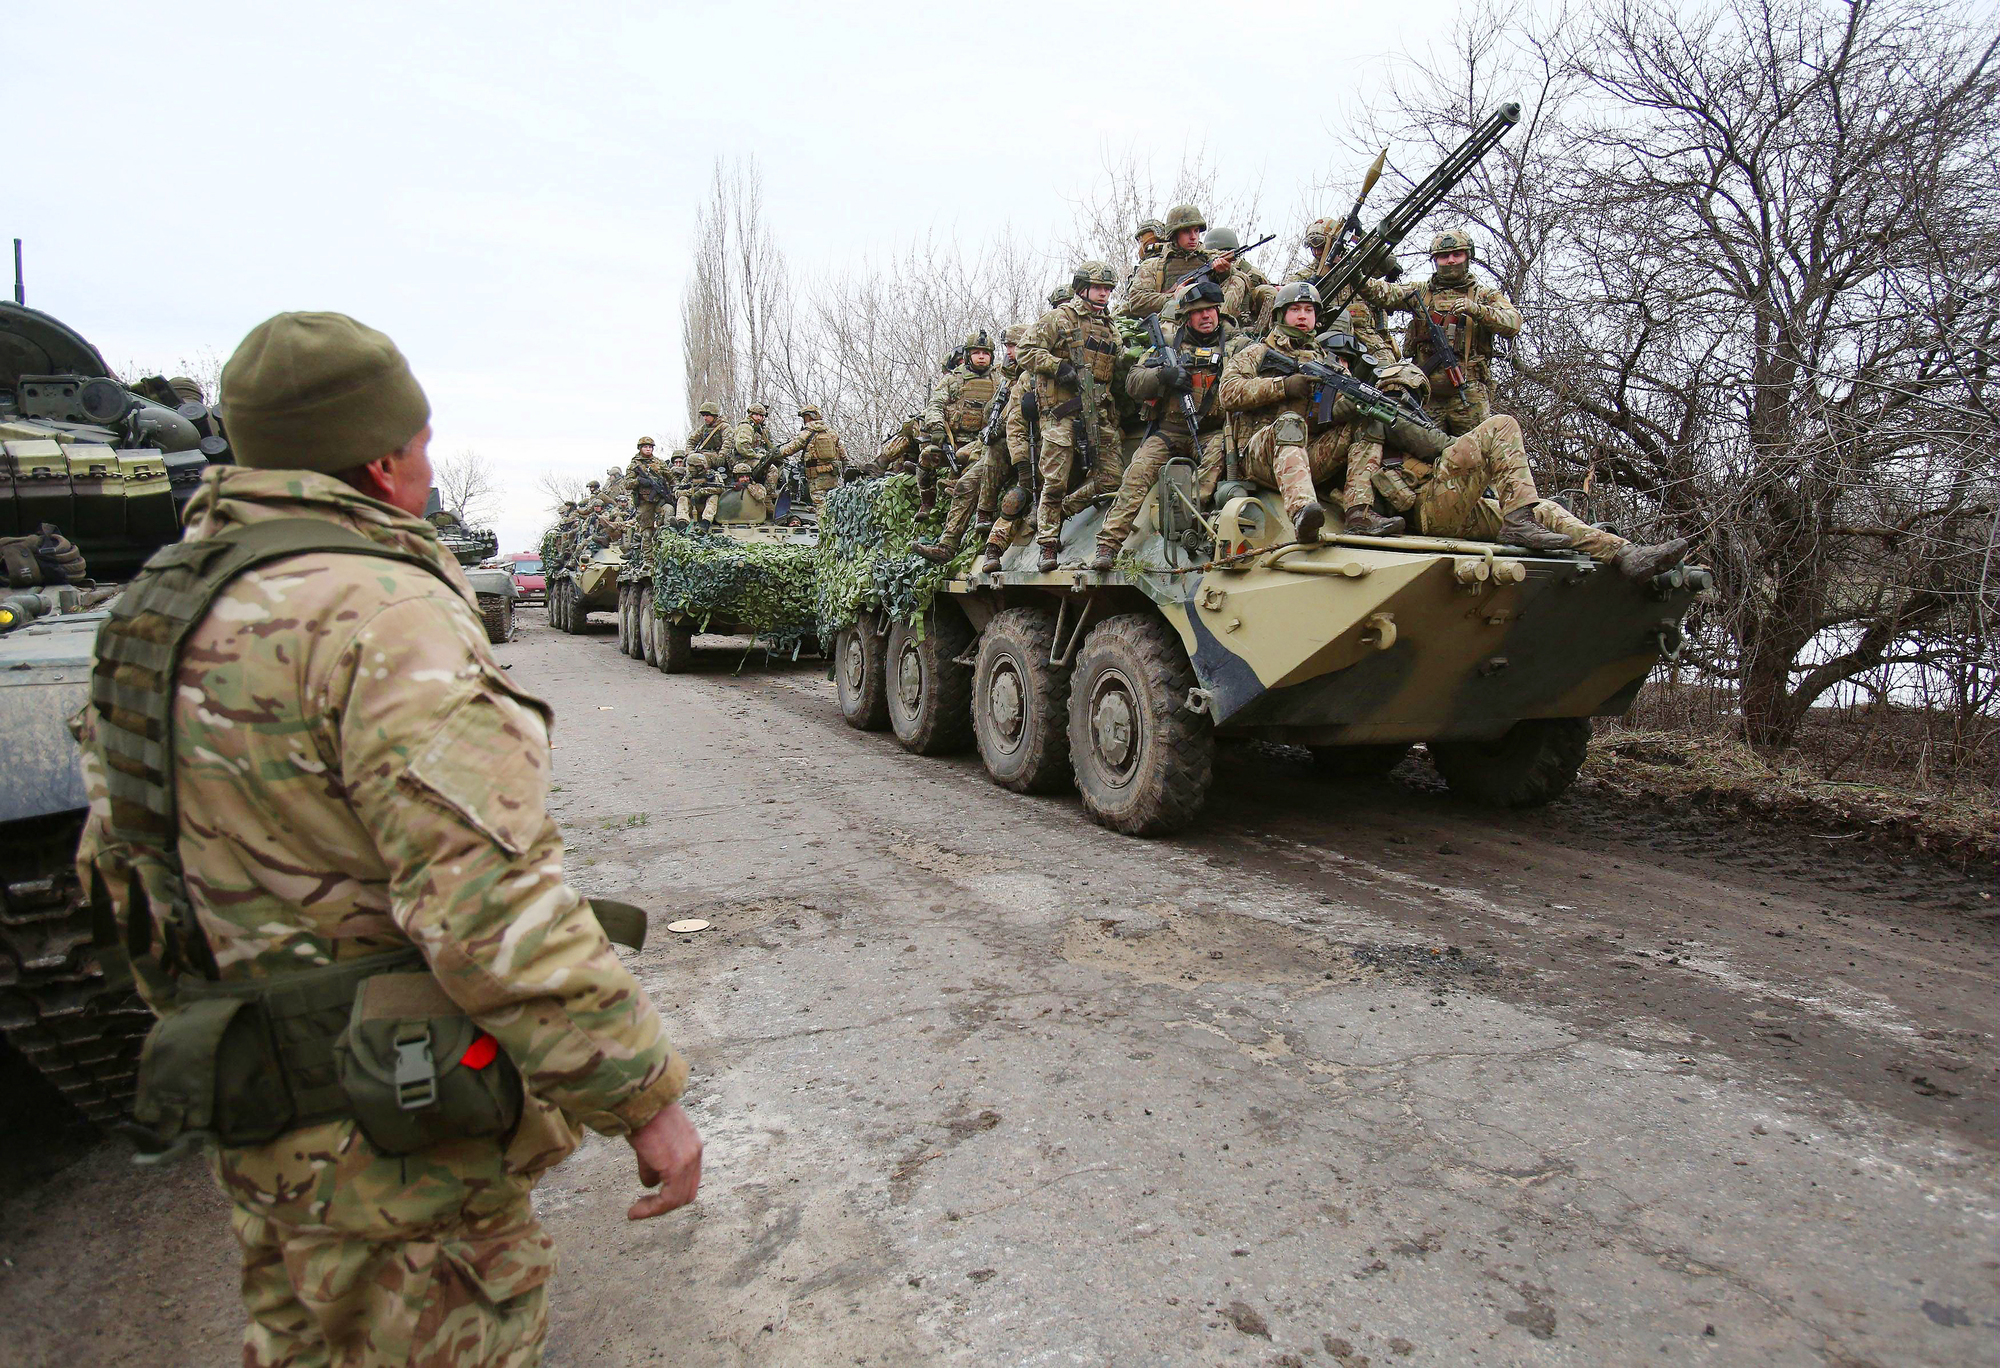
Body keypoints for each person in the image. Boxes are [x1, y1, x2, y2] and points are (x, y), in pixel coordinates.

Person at [72, 311, 703, 1366]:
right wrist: (642, 1097)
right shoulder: (384, 612)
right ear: (381, 459)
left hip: (258, 1116)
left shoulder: (154, 611)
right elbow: (486, 909)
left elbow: (118, 869)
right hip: (400, 1131)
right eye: (420, 441)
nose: (427, 465)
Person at [1218, 281, 1406, 541]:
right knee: (1290, 421)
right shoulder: (1257, 353)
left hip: (1308, 454)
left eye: (1309, 310)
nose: (1303, 316)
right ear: (1281, 315)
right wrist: (1283, 386)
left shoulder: (1327, 362)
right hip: (1260, 457)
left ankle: (1359, 512)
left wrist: (1349, 407)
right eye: (1295, 309)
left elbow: (1327, 415)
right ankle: (1302, 513)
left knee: (1367, 423)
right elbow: (1227, 393)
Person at [1090, 279, 1240, 569]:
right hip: (1169, 431)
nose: (1206, 316)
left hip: (1212, 432)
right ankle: (1107, 545)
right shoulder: (1168, 346)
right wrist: (1163, 376)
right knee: (1137, 472)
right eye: (1198, 312)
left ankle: (1191, 523)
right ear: (1186, 316)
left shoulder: (1235, 346)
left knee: (1217, 459)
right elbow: (1134, 382)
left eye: (1210, 310)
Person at [1015, 261, 1126, 571]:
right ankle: (1047, 543)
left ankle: (1060, 511)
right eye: (1099, 288)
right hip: (1062, 414)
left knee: (1112, 479)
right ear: (1082, 289)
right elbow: (1025, 350)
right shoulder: (1060, 318)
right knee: (1054, 482)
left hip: (1098, 413)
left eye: (1108, 289)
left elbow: (1117, 364)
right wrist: (1057, 367)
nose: (1104, 294)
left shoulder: (1110, 326)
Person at [1359, 229, 1520, 434]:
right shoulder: (1421, 291)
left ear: (1468, 256)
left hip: (1468, 394)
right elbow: (1382, 292)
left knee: (1475, 450)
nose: (1451, 260)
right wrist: (1356, 276)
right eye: (1444, 256)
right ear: (1435, 260)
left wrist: (1477, 311)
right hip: (1426, 393)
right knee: (1421, 450)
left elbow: (1513, 323)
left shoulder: (1484, 295)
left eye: (1457, 255)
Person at [915, 331, 1008, 563]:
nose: (981, 357)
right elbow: (935, 404)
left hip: (984, 441)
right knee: (927, 457)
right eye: (976, 353)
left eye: (985, 353)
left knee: (966, 477)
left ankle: (949, 539)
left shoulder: (1000, 379)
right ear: (968, 356)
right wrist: (937, 428)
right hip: (954, 440)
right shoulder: (953, 380)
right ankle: (927, 501)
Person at [1286, 218, 1400, 372]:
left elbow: (1387, 262)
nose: (1317, 252)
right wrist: (1311, 283)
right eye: (1312, 248)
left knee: (1387, 369)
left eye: (1321, 246)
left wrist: (1361, 235)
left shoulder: (1357, 262)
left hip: (1365, 335)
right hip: (1325, 337)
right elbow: (1286, 293)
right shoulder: (1308, 274)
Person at [777, 404, 847, 503]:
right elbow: (843, 454)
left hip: (816, 477)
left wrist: (777, 452)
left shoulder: (807, 432)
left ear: (808, 417)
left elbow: (790, 449)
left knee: (820, 504)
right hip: (832, 476)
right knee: (832, 502)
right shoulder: (831, 432)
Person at [626, 436, 669, 550]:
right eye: (645, 447)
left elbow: (671, 477)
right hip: (645, 502)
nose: (648, 449)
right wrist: (638, 481)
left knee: (668, 515)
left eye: (650, 447)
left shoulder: (659, 463)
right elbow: (627, 484)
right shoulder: (634, 465)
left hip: (660, 499)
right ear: (640, 448)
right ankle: (648, 558)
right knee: (646, 533)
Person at [732, 403, 778, 484]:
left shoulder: (759, 429)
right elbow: (743, 447)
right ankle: (768, 492)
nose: (759, 417)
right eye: (756, 415)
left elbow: (769, 446)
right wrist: (757, 456)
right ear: (751, 414)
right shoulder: (746, 427)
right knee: (772, 469)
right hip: (742, 459)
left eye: (761, 415)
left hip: (751, 458)